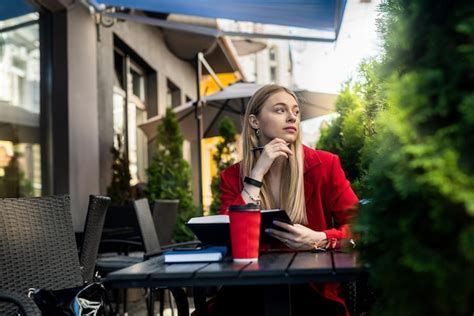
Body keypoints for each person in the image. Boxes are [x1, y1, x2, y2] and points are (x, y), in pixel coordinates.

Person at [210, 84, 359, 316]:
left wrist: (319, 238)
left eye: (296, 112)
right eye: (280, 110)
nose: (292, 117)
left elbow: (363, 228)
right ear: (254, 122)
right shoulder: (232, 176)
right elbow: (228, 234)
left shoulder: (325, 165)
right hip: (248, 292)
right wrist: (256, 174)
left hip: (312, 290)